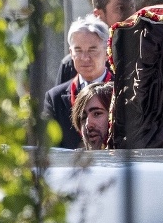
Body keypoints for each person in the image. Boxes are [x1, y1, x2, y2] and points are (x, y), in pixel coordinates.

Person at [44, 16, 112, 149]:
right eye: (78, 50)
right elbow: (50, 145)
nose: (85, 58)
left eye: (92, 50)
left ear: (107, 52)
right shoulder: (55, 98)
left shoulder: (124, 91)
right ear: (71, 53)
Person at [56, 0, 135, 85]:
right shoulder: (72, 64)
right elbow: (61, 97)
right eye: (120, 8)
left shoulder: (144, 55)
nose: (131, 15)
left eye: (132, 7)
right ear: (98, 14)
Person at [71, 82, 113, 150]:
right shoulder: (74, 159)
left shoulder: (132, 158)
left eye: (97, 114)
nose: (88, 125)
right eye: (83, 117)